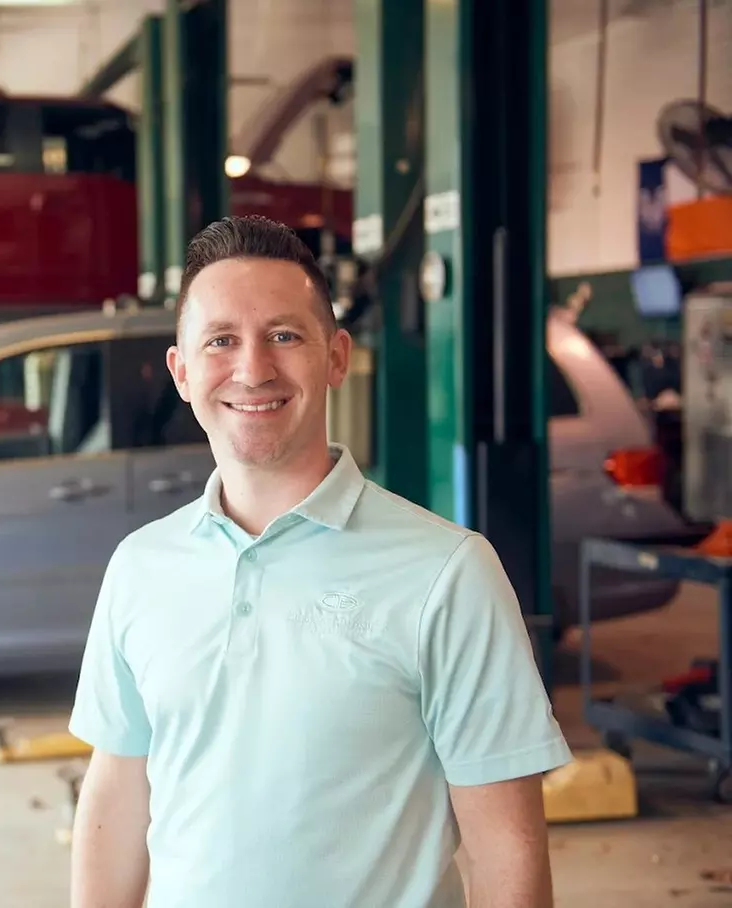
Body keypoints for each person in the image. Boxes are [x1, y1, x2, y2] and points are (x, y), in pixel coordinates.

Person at [67, 215, 572, 908]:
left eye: (284, 336)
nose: (253, 370)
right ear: (182, 372)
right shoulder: (140, 568)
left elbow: (504, 849)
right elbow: (118, 797)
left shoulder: (447, 573)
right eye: (221, 340)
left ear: (336, 358)